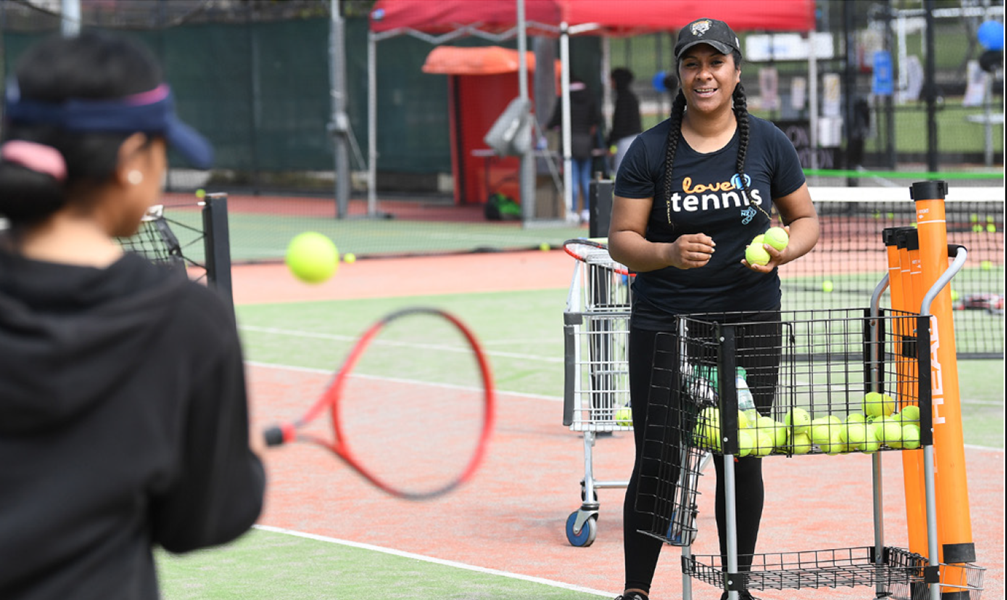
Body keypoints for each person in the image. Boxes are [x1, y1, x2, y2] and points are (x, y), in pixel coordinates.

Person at [0, 32, 265, 600]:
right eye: (162, 148)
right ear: (130, 159)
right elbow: (200, 522)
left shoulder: (187, 322)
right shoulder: (189, 322)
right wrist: (242, 472)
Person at [607, 18, 819, 600]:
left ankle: (736, 585)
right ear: (679, 73)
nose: (704, 75)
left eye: (715, 62)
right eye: (692, 64)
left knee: (739, 454)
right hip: (665, 324)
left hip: (748, 324)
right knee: (658, 461)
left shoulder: (769, 142)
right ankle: (636, 590)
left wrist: (782, 253)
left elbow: (804, 221)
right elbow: (620, 239)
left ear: (735, 70)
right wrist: (667, 251)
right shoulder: (649, 149)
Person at [548, 77, 602, 224]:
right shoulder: (590, 97)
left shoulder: (564, 99)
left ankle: (572, 211)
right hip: (586, 143)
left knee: (572, 179)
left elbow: (554, 121)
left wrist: (547, 126)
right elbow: (596, 121)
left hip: (569, 143)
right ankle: (587, 210)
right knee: (585, 179)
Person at [607, 67, 643, 177]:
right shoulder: (630, 97)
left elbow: (620, 124)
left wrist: (610, 141)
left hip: (626, 140)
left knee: (622, 173)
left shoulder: (623, 99)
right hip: (633, 138)